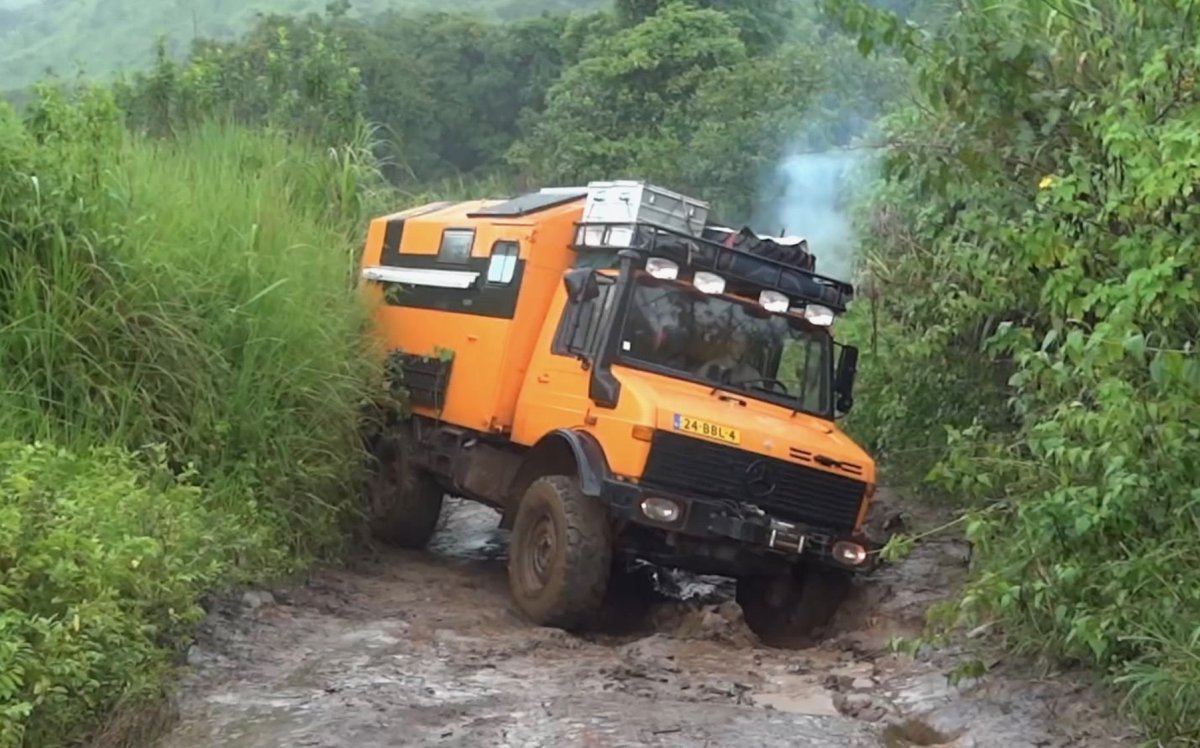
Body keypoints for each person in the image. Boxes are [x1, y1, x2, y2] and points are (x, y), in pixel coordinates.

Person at [695, 330, 762, 385]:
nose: (740, 347)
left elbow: (760, 395)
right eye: (736, 343)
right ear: (728, 344)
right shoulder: (710, 367)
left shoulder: (752, 375)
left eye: (743, 344)